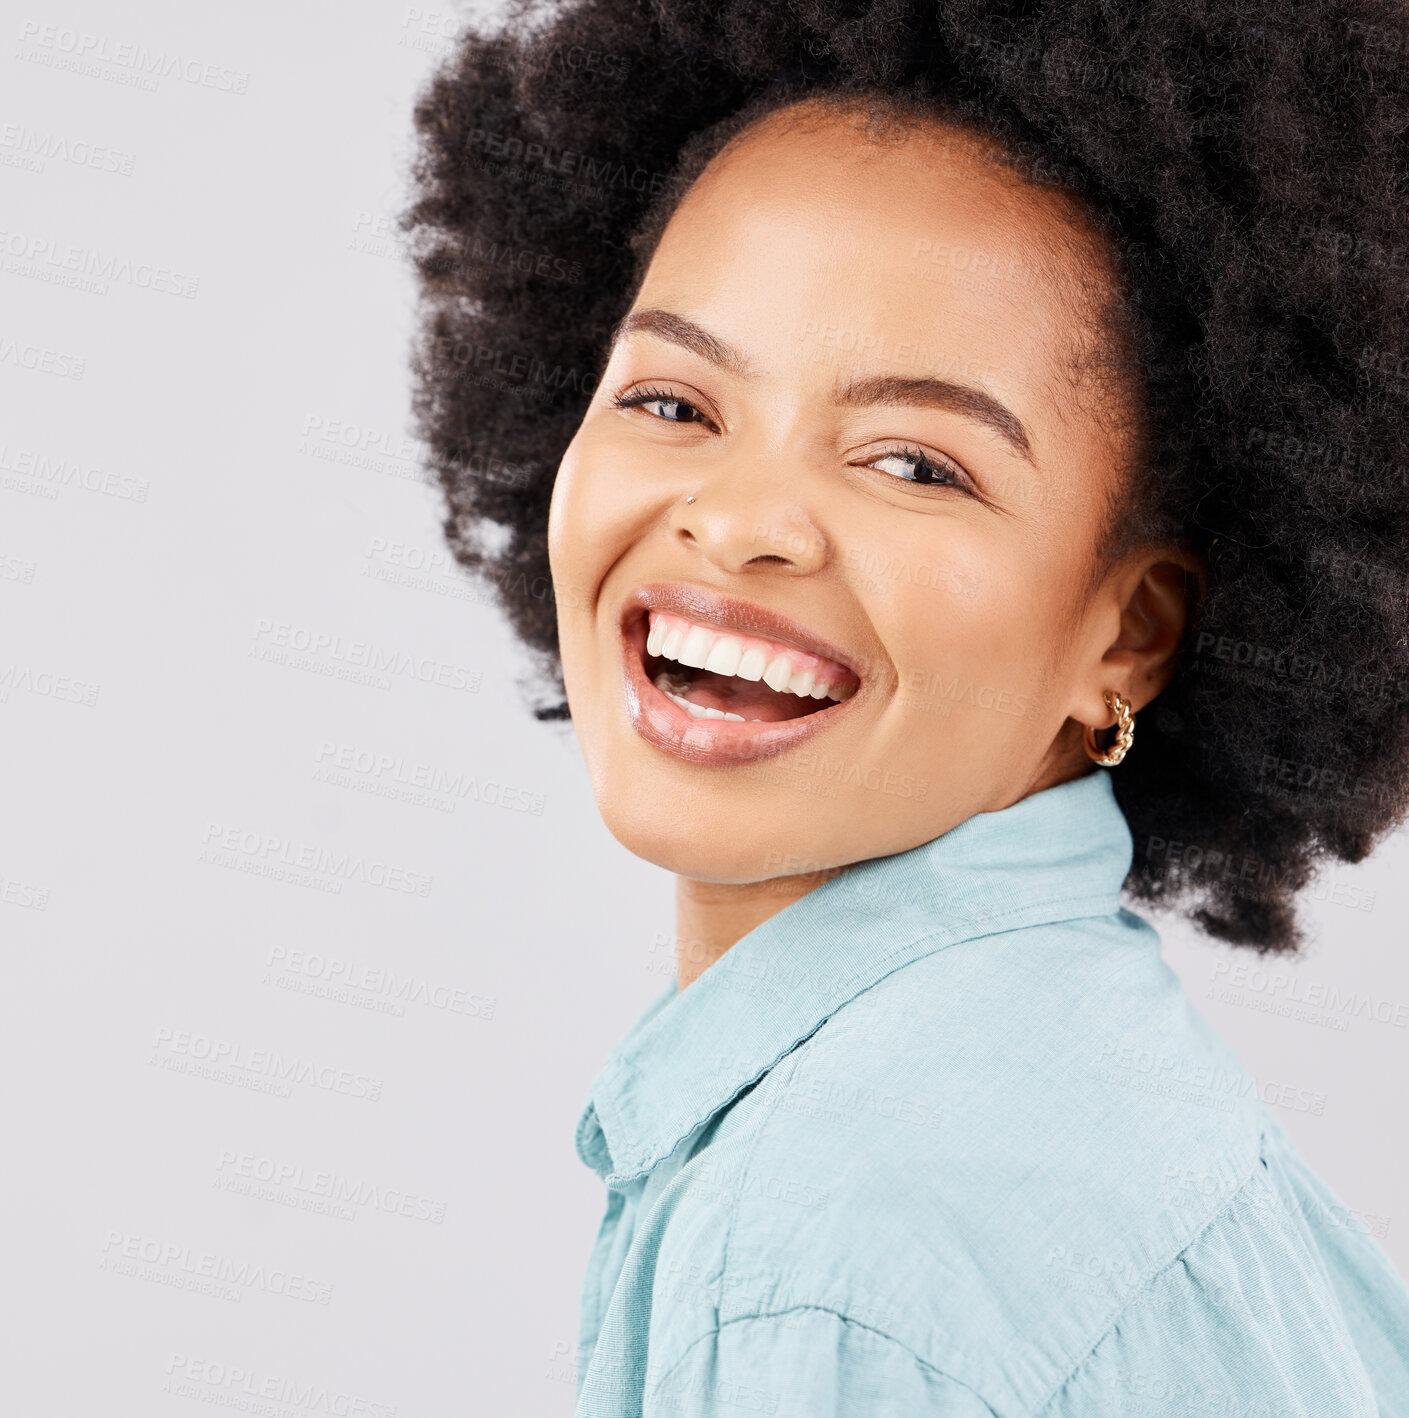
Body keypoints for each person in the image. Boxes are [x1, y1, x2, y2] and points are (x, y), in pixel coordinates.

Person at [404, 3, 1409, 1412]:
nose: (743, 519)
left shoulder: (846, 1250)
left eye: (914, 464)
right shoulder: (1049, 1086)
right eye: (674, 402)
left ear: (1125, 634)